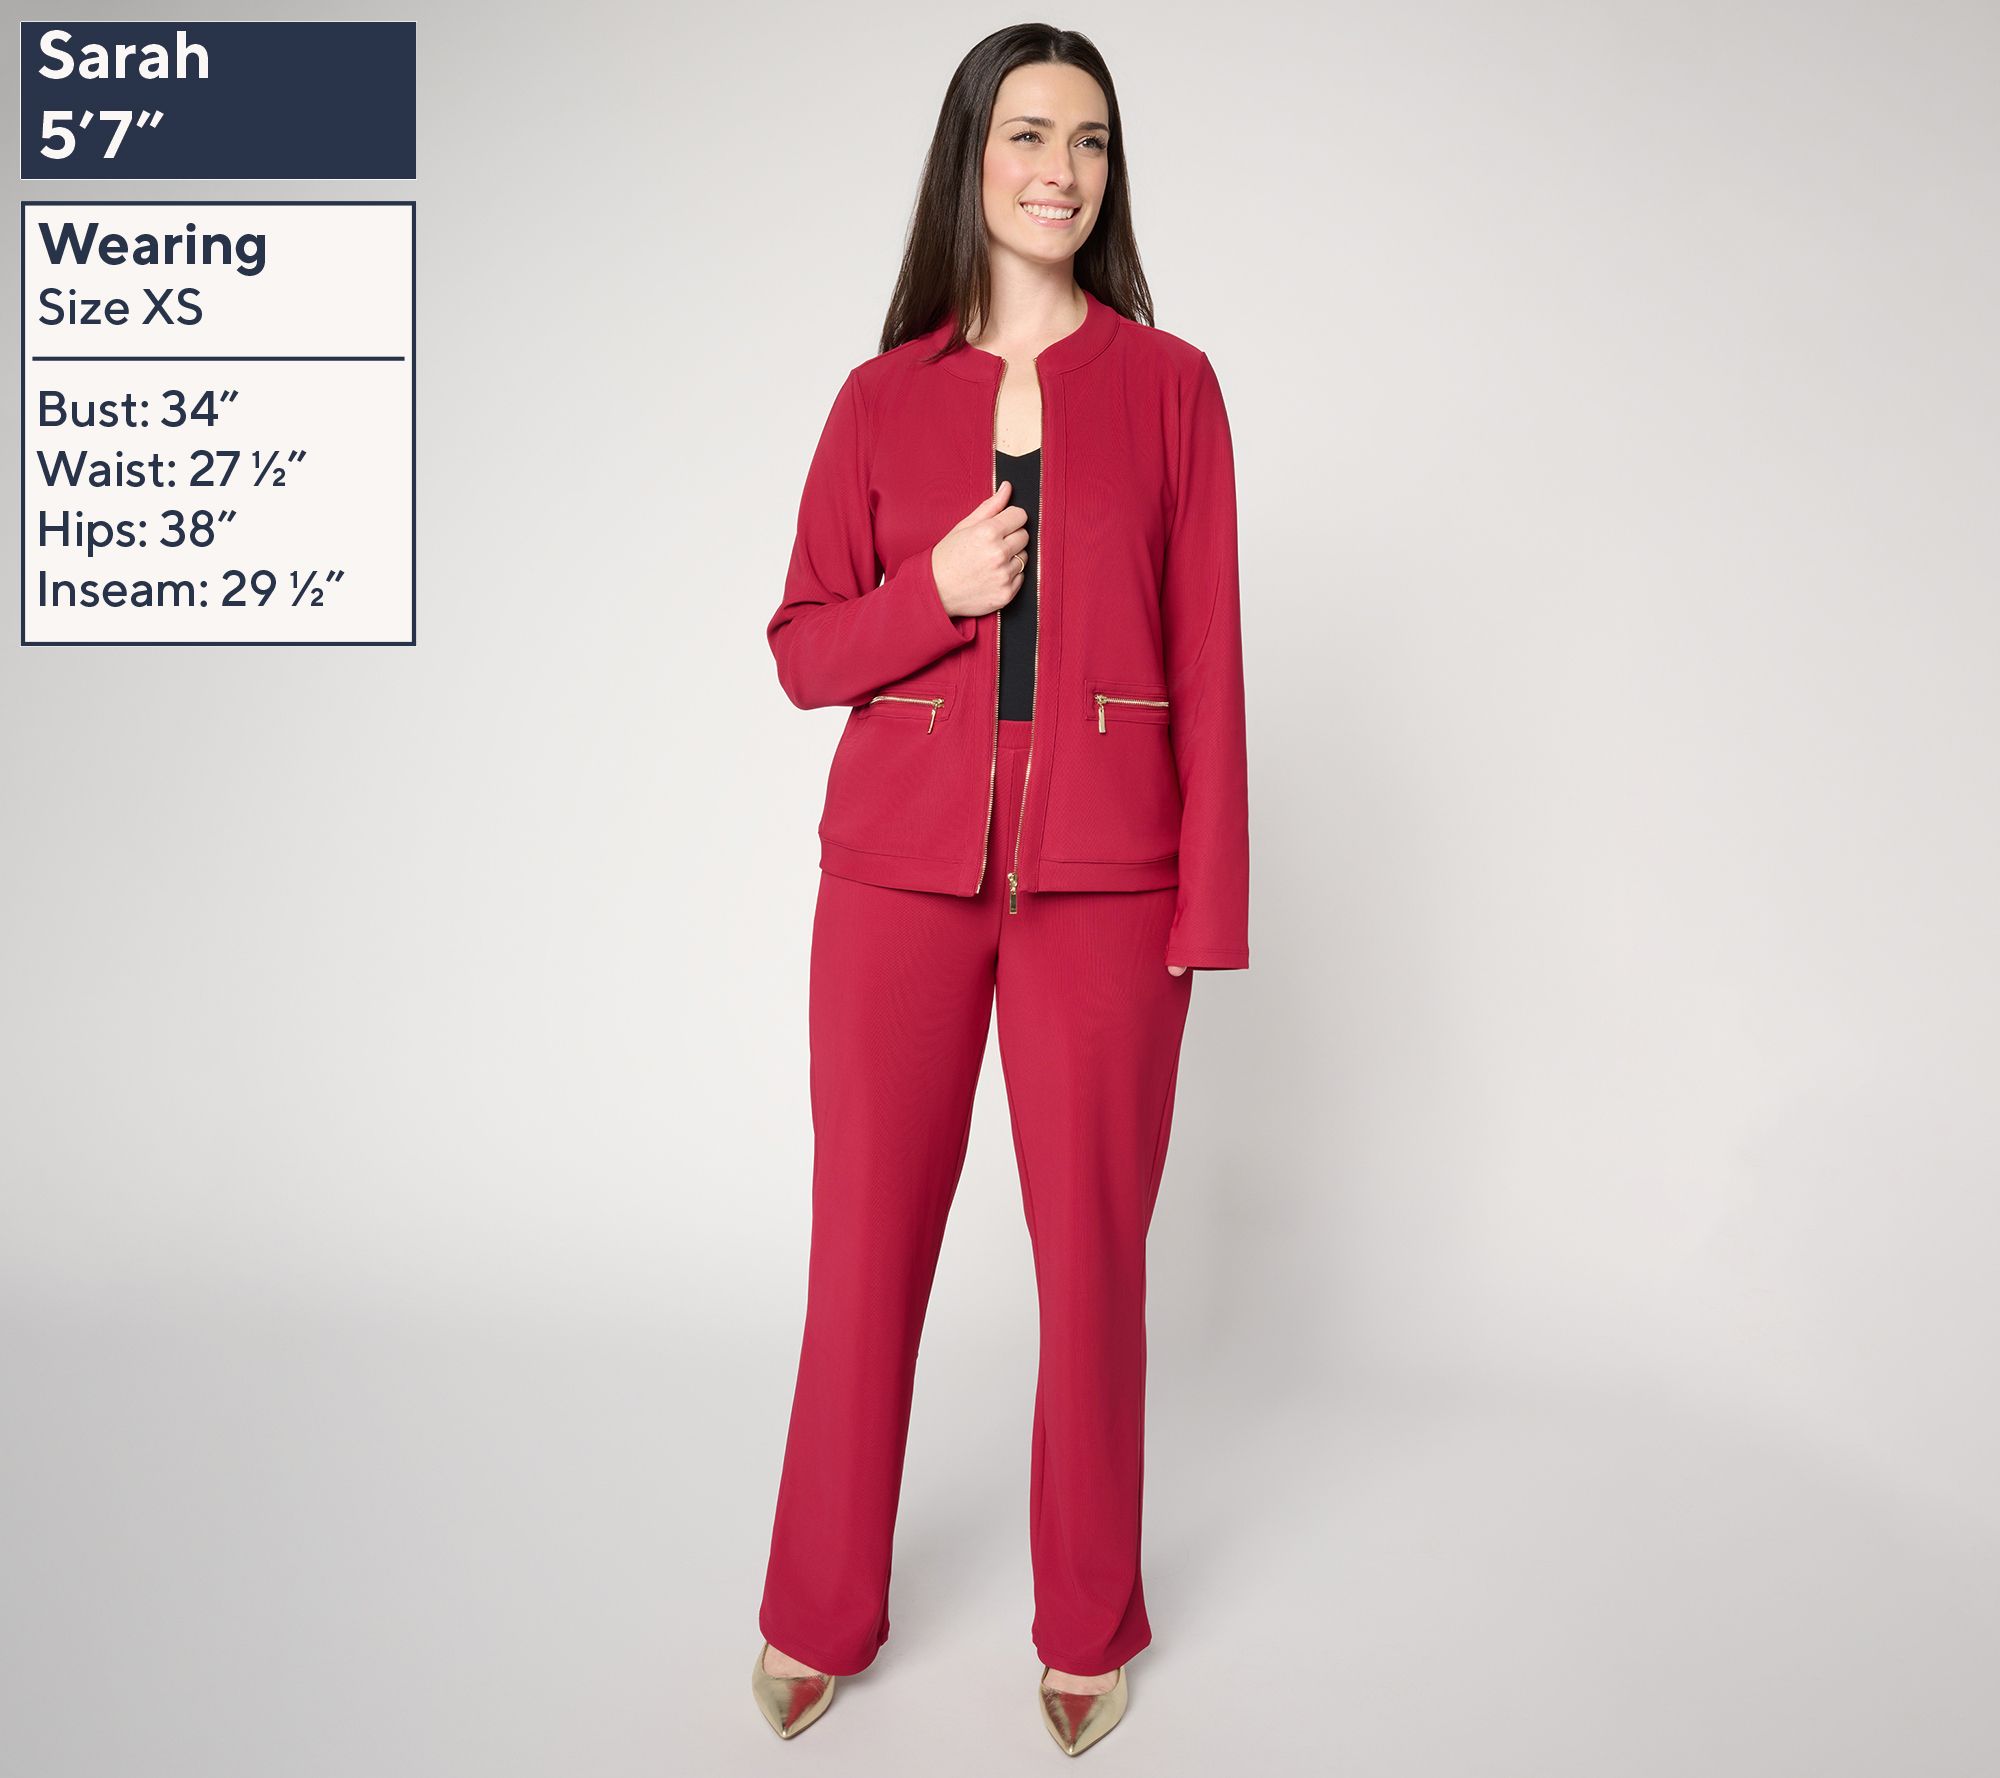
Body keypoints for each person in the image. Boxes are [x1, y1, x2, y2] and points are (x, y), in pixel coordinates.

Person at [751, 21, 1250, 1757]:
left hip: (1110, 884)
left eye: (1091, 140)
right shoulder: (879, 399)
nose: (1061, 169)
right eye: (1030, 133)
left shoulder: (1173, 387)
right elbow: (803, 650)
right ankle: (819, 1604)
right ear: (971, 155)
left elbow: (1213, 662)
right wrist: (935, 589)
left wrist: (1205, 912)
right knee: (863, 1250)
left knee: (1093, 1260)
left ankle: (1088, 1616)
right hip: (896, 879)